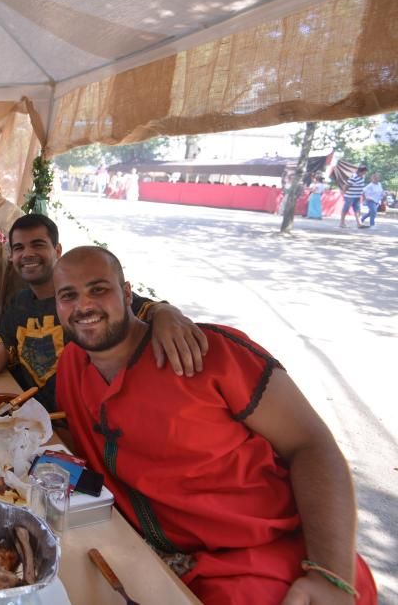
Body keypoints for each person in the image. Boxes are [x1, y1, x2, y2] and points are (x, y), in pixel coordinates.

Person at [52, 246, 377, 605]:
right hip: (135, 555)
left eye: (99, 289)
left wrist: (329, 575)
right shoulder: (72, 364)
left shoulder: (209, 353)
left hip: (262, 563)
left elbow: (311, 444)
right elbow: (83, 447)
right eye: (69, 295)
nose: (83, 306)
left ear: (127, 293)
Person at [0, 214, 206, 412]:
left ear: (57, 250)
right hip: (31, 416)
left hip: (82, 423)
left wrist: (166, 311)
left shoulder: (95, 301)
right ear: (11, 256)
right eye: (19, 248)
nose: (28, 253)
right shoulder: (19, 302)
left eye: (38, 244)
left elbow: (145, 308)